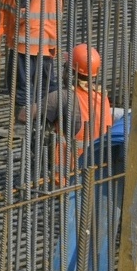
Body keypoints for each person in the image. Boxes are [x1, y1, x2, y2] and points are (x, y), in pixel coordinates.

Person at [41, 44, 115, 183]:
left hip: (67, 177)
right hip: (97, 174)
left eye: (65, 67)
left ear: (71, 72)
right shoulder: (102, 96)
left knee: (38, 128)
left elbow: (25, 115)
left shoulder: (63, 96)